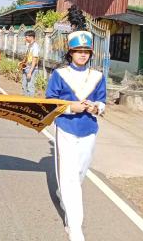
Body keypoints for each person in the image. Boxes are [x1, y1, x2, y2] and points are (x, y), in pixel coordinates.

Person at [45, 30, 106, 241]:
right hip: (66, 129)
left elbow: (102, 101)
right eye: (78, 51)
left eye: (86, 51)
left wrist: (96, 108)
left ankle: (65, 196)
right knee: (70, 177)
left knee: (79, 174)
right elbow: (50, 103)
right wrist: (72, 108)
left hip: (89, 130)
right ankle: (75, 226)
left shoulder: (97, 76)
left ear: (91, 53)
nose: (82, 55)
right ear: (70, 52)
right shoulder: (59, 75)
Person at [21, 30, 40, 97]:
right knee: (24, 85)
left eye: (26, 37)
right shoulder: (29, 45)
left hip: (32, 69)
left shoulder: (35, 47)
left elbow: (34, 60)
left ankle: (30, 102)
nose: (25, 39)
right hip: (26, 67)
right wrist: (22, 62)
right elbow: (27, 56)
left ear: (31, 37)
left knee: (30, 86)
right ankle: (25, 101)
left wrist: (30, 72)